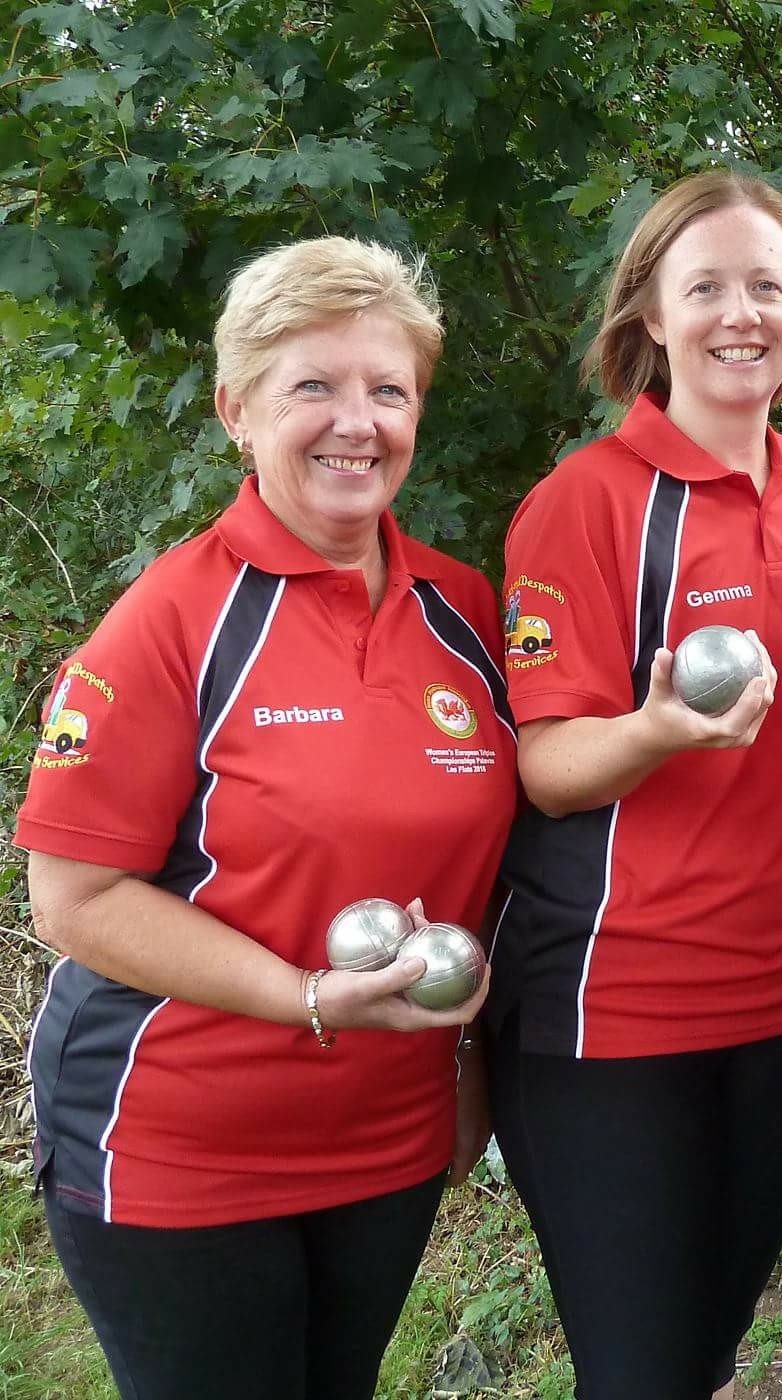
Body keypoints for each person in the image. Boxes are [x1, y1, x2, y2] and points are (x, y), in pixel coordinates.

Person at [18, 236, 518, 1400]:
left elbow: (484, 868)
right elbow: (73, 898)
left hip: (383, 1139)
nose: (359, 421)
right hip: (177, 1145)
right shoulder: (171, 620)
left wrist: (468, 1073)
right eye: (315, 387)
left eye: (388, 389)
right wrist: (302, 996)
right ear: (237, 409)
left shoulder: (462, 606)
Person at [486, 169, 782, 1400]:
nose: (740, 313)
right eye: (704, 286)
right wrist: (654, 729)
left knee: (705, 1345)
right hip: (617, 1007)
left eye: (768, 285)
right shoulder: (584, 503)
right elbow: (547, 771)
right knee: (640, 1366)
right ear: (649, 313)